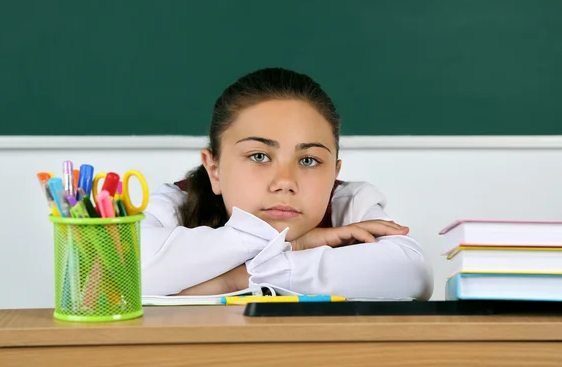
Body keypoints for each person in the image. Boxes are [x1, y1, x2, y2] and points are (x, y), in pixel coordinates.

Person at [141, 67, 433, 300]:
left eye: (308, 160)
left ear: (334, 174)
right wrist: (294, 244)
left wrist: (237, 279)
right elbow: (123, 274)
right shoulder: (175, 203)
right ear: (214, 170)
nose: (285, 182)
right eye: (259, 155)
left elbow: (413, 273)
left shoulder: (350, 202)